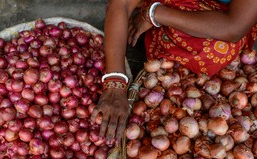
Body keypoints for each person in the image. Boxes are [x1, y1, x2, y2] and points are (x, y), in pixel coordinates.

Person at [91, 0, 257, 142]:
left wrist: (156, 13)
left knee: (217, 51)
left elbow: (234, 27)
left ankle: (154, 17)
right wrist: (115, 82)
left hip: (221, 19)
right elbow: (122, 3)